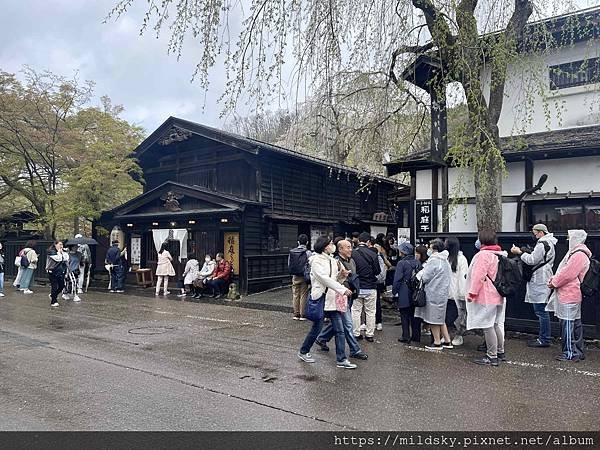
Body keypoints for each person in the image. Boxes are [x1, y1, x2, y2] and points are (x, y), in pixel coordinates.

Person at [298, 236, 357, 369]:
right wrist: (342, 289)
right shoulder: (316, 260)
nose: (332, 245)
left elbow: (335, 279)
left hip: (331, 299)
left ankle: (341, 359)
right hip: (320, 298)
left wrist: (342, 276)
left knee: (340, 330)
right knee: (316, 329)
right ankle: (303, 351)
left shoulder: (332, 260)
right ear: (325, 246)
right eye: (330, 243)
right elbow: (324, 279)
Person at [314, 239, 368, 360]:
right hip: (339, 296)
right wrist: (343, 285)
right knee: (348, 324)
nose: (350, 249)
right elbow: (330, 280)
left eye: (350, 247)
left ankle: (322, 338)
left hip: (348, 295)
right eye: (347, 247)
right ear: (340, 249)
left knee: (339, 323)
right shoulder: (335, 262)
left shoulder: (352, 261)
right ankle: (354, 350)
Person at [546, 229, 590, 362]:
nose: (567, 240)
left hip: (569, 294)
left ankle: (570, 352)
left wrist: (553, 282)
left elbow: (567, 274)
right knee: (575, 324)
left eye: (569, 237)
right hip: (573, 294)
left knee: (567, 325)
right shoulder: (581, 253)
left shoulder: (577, 255)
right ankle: (578, 351)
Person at [510, 223, 557, 348]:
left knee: (541, 310)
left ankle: (544, 338)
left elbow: (532, 260)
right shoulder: (550, 243)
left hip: (540, 278)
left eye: (535, 233)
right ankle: (544, 337)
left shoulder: (542, 244)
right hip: (544, 275)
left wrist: (519, 252)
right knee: (542, 309)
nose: (534, 236)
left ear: (541, 232)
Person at [466, 230, 507, 366]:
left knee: (487, 326)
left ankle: (492, 356)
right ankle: (500, 352)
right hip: (499, 294)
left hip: (486, 295)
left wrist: (472, 293)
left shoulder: (483, 255)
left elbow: (478, 276)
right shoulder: (499, 254)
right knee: (495, 324)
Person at [415, 239, 452, 350]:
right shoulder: (445, 260)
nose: (428, 250)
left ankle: (437, 342)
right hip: (443, 293)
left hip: (433, 293)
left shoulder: (434, 260)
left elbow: (425, 277)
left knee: (433, 319)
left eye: (430, 247)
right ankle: (447, 341)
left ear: (434, 249)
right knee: (440, 318)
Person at [351, 232, 381, 341]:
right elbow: (377, 271)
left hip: (357, 286)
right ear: (368, 242)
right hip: (370, 286)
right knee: (371, 311)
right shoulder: (373, 254)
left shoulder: (352, 253)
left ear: (359, 240)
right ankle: (369, 334)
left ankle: (356, 333)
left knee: (355, 311)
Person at [393, 242, 422, 343]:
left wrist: (394, 291)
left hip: (404, 290)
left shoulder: (401, 263)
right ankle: (416, 336)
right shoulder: (417, 262)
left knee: (404, 314)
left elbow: (397, 279)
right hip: (415, 291)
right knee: (415, 315)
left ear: (403, 252)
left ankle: (405, 336)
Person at [446, 237, 469, 346]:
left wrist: (462, 293)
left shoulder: (461, 259)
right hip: (447, 292)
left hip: (457, 291)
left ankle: (459, 335)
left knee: (460, 314)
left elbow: (462, 278)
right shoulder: (446, 258)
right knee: (448, 314)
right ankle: (446, 334)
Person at [288, 234, 311, 320]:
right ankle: (302, 314)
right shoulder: (308, 253)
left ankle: (295, 314)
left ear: (298, 242)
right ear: (307, 242)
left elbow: (289, 264)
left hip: (295, 276)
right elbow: (310, 265)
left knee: (295, 294)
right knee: (303, 294)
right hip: (304, 276)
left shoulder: (292, 252)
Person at [46, 240, 69, 307]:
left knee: (61, 286)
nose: (61, 246)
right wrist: (59, 253)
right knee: (54, 286)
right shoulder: (51, 251)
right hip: (52, 271)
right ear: (55, 245)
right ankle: (53, 301)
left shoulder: (62, 252)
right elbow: (58, 259)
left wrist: (62, 253)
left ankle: (53, 295)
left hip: (60, 271)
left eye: (62, 245)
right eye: (59, 244)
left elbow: (66, 258)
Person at [414, 245, 431, 336]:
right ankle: (425, 327)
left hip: (424, 291)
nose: (415, 255)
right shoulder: (422, 263)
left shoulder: (426, 265)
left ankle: (426, 328)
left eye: (417, 253)